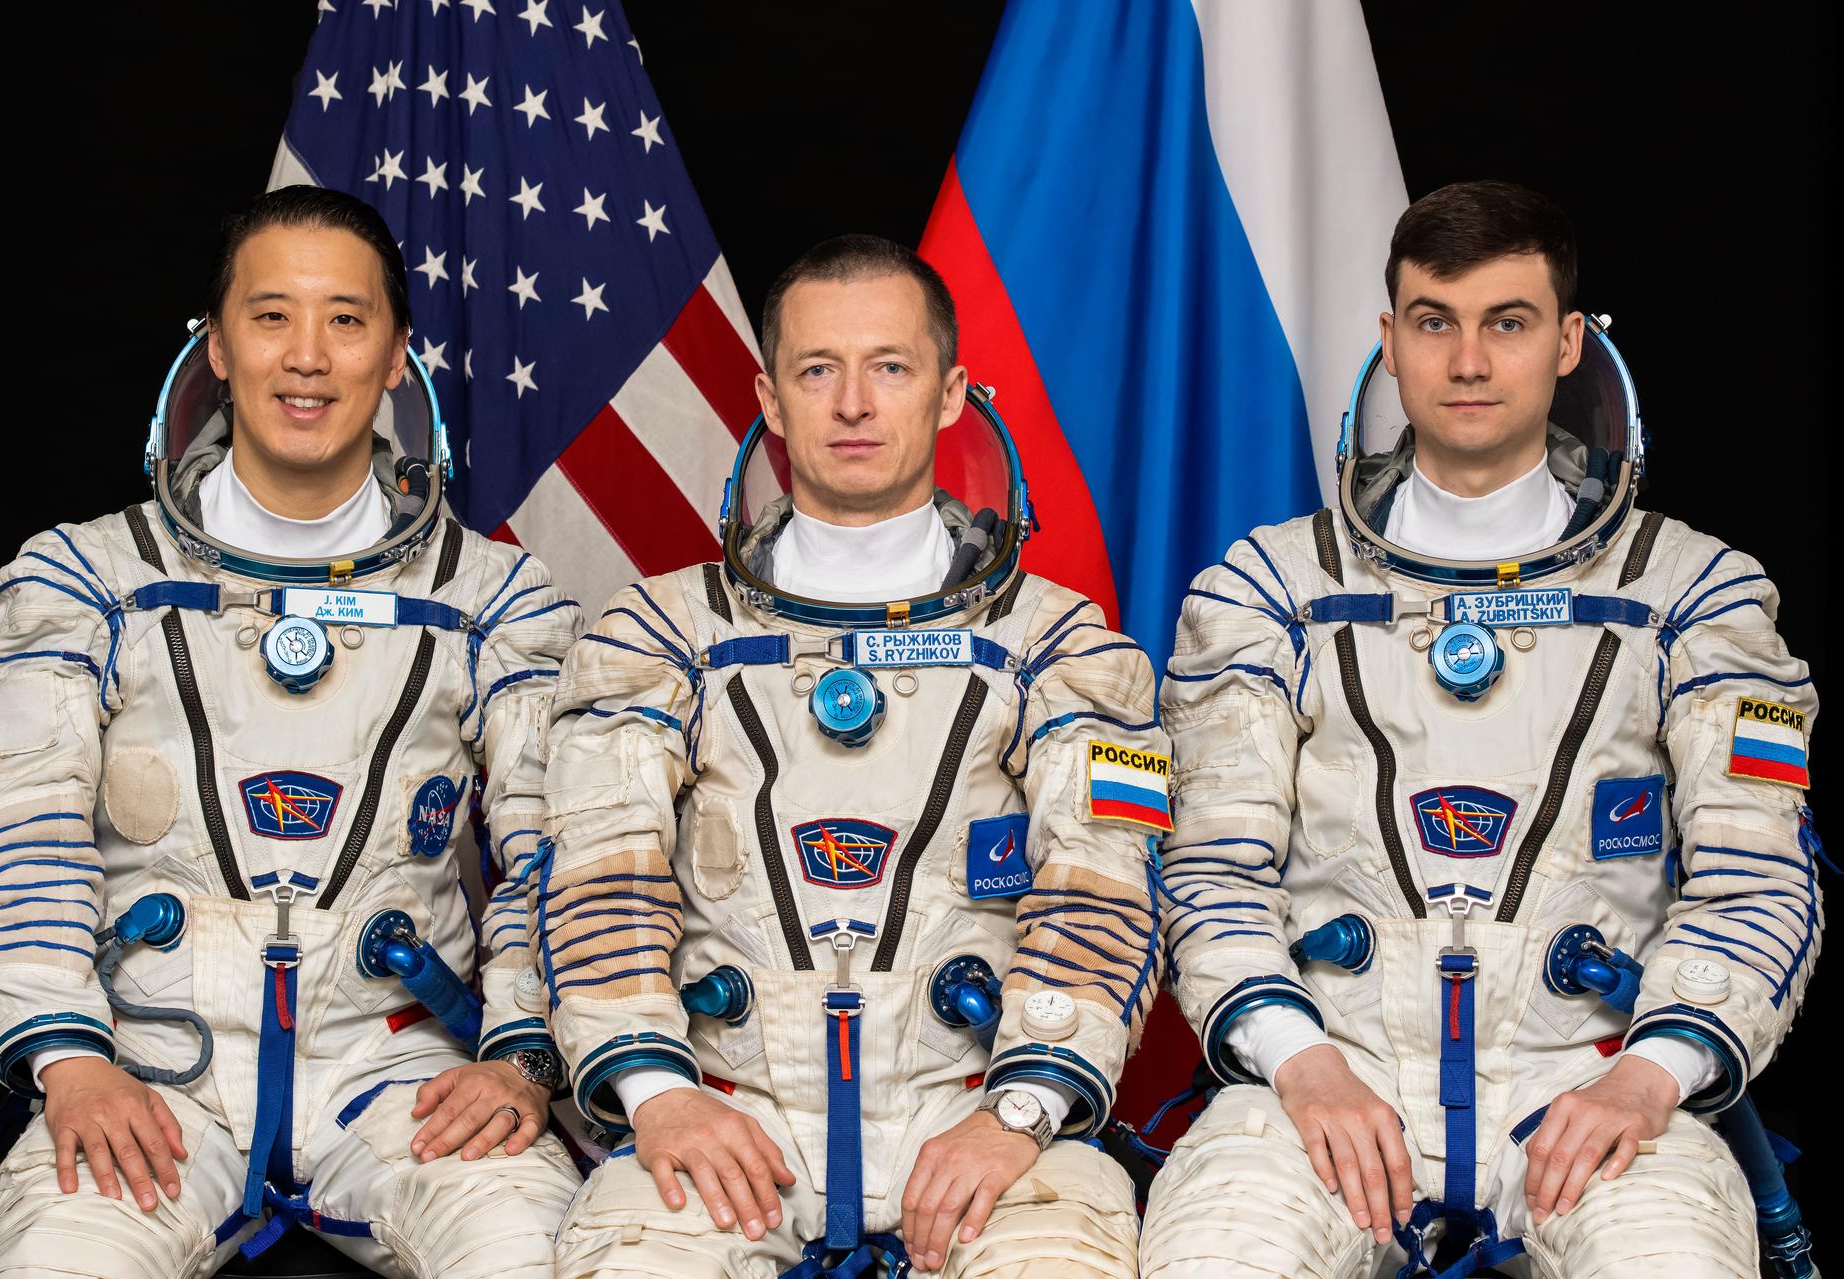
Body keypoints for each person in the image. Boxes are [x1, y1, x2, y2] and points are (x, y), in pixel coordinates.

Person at [1138, 180, 1820, 1277]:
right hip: (1330, 1082)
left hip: (1590, 1081)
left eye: (1505, 323)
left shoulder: (1694, 594)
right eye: (1432, 322)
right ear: (1387, 339)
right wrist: (1297, 1057)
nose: (1465, 362)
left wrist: (1648, 1075)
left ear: (1565, 342)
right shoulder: (1267, 590)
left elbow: (1756, 882)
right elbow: (1207, 867)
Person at [0, 186, 582, 1278]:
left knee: (536, 1252)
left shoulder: (494, 599)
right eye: (271, 315)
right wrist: (69, 1056)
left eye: (346, 319)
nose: (307, 357)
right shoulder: (86, 580)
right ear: (217, 345)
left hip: (403, 1076)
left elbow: (558, 851)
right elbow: (19, 832)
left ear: (395, 356)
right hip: (148, 1073)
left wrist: (519, 1055)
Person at [541, 235, 1159, 1277]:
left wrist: (1021, 1106)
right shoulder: (652, 632)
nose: (853, 404)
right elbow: (600, 868)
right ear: (769, 400)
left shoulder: (1069, 641)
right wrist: (658, 1091)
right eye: (816, 370)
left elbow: (1106, 880)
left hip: (976, 1119)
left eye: (890, 366)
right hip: (728, 1118)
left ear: (951, 392)